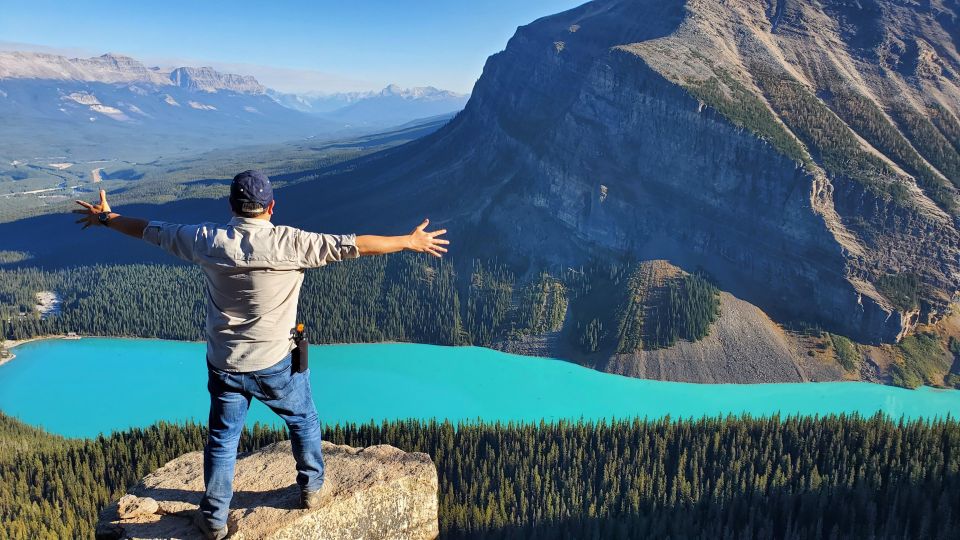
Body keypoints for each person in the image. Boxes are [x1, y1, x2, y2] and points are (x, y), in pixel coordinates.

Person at [73, 170, 450, 539]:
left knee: (222, 439)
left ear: (232, 206)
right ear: (271, 206)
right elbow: (355, 244)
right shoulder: (291, 243)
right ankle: (312, 490)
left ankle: (215, 518)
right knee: (303, 419)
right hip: (275, 364)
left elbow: (149, 229)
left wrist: (106, 218)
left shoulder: (206, 239)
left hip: (225, 363)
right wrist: (409, 241)